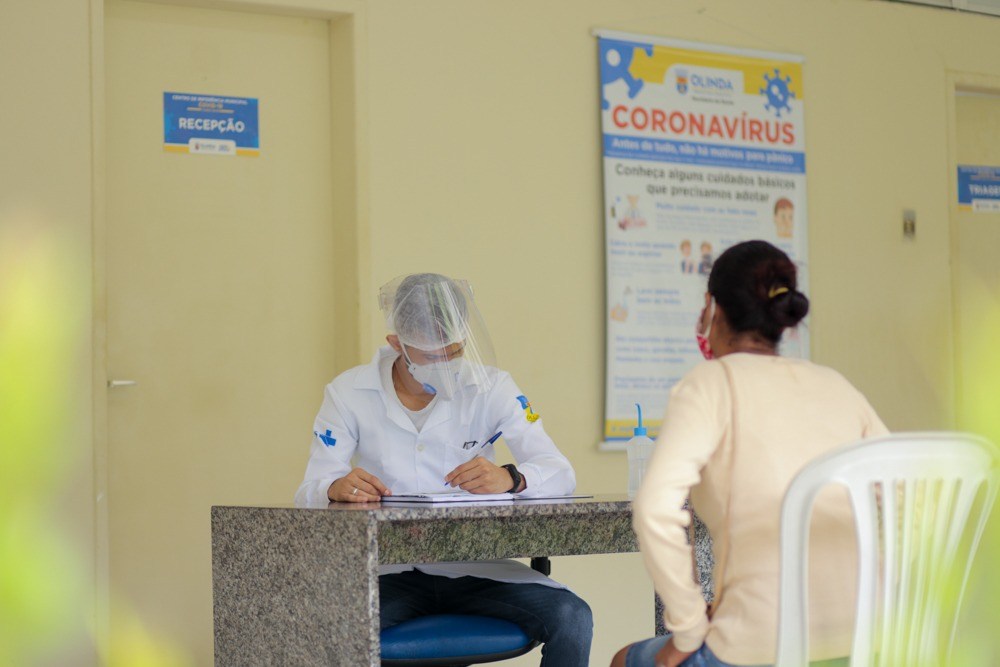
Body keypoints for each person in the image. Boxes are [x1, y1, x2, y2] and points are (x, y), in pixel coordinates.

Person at [612, 241, 888, 667]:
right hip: (865, 642)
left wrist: (687, 630)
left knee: (624, 660)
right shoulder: (836, 386)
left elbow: (653, 509)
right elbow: (906, 496)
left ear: (711, 307)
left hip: (758, 646)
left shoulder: (709, 385)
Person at [295, 272, 593, 666]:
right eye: (433, 357)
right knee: (330, 627)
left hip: (477, 568)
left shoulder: (493, 388)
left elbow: (560, 473)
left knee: (573, 616)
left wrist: (512, 479)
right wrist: (335, 487)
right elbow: (309, 489)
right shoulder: (348, 393)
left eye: (454, 352)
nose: (447, 365)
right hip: (388, 572)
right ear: (397, 344)